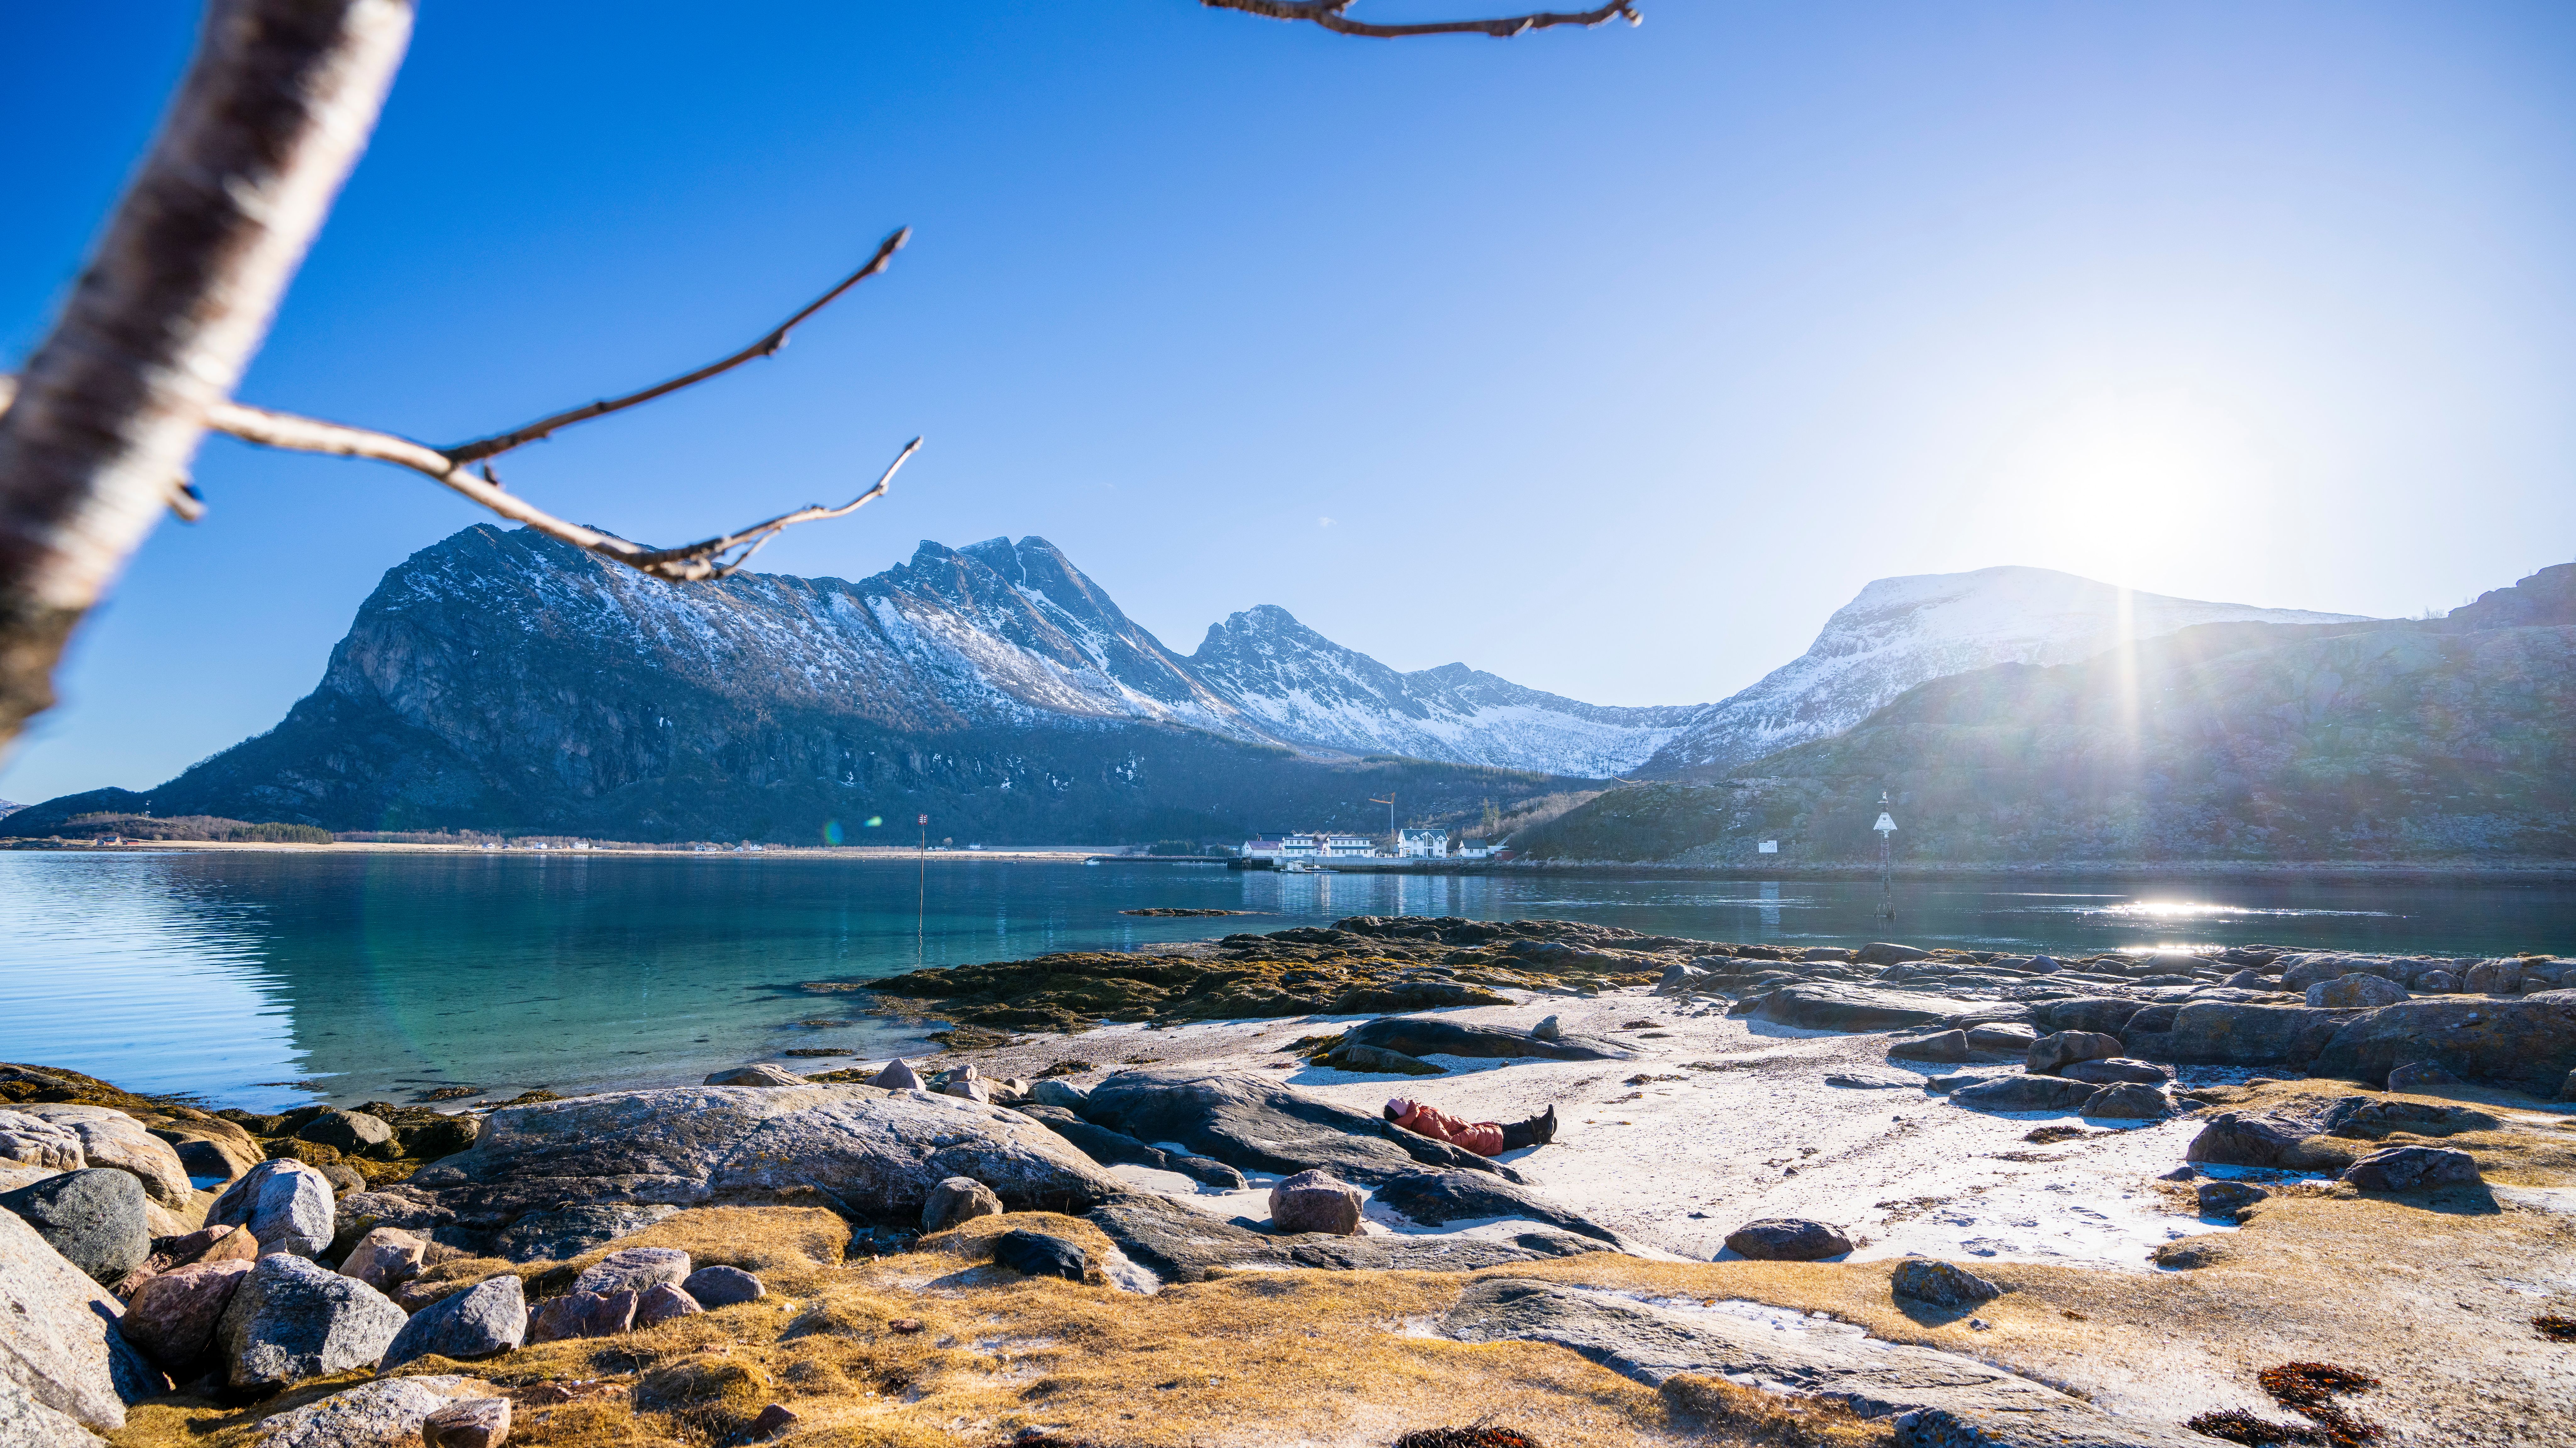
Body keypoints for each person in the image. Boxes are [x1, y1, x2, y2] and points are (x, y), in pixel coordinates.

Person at [1384, 1097, 1557, 1157]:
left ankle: (1541, 1124)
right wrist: (1473, 1133)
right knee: (1507, 1137)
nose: (1402, 1099)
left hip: (1474, 1132)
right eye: (1399, 1102)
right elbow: (1448, 1142)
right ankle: (1541, 1135)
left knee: (1504, 1130)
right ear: (1402, 1112)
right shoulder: (1424, 1120)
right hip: (1477, 1141)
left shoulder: (1419, 1113)